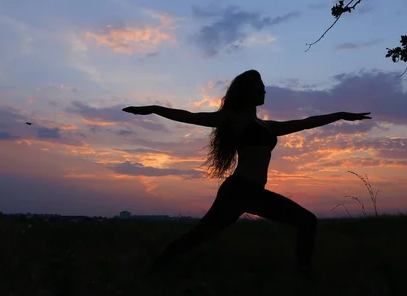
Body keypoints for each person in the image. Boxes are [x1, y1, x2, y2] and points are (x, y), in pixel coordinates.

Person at [122, 69, 371, 275]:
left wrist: (339, 115)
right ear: (246, 92)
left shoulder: (267, 125)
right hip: (239, 190)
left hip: (250, 191)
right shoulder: (233, 119)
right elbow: (190, 116)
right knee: (201, 235)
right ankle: (154, 270)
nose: (264, 91)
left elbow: (305, 122)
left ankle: (154, 269)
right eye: (259, 87)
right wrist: (155, 108)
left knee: (304, 222)